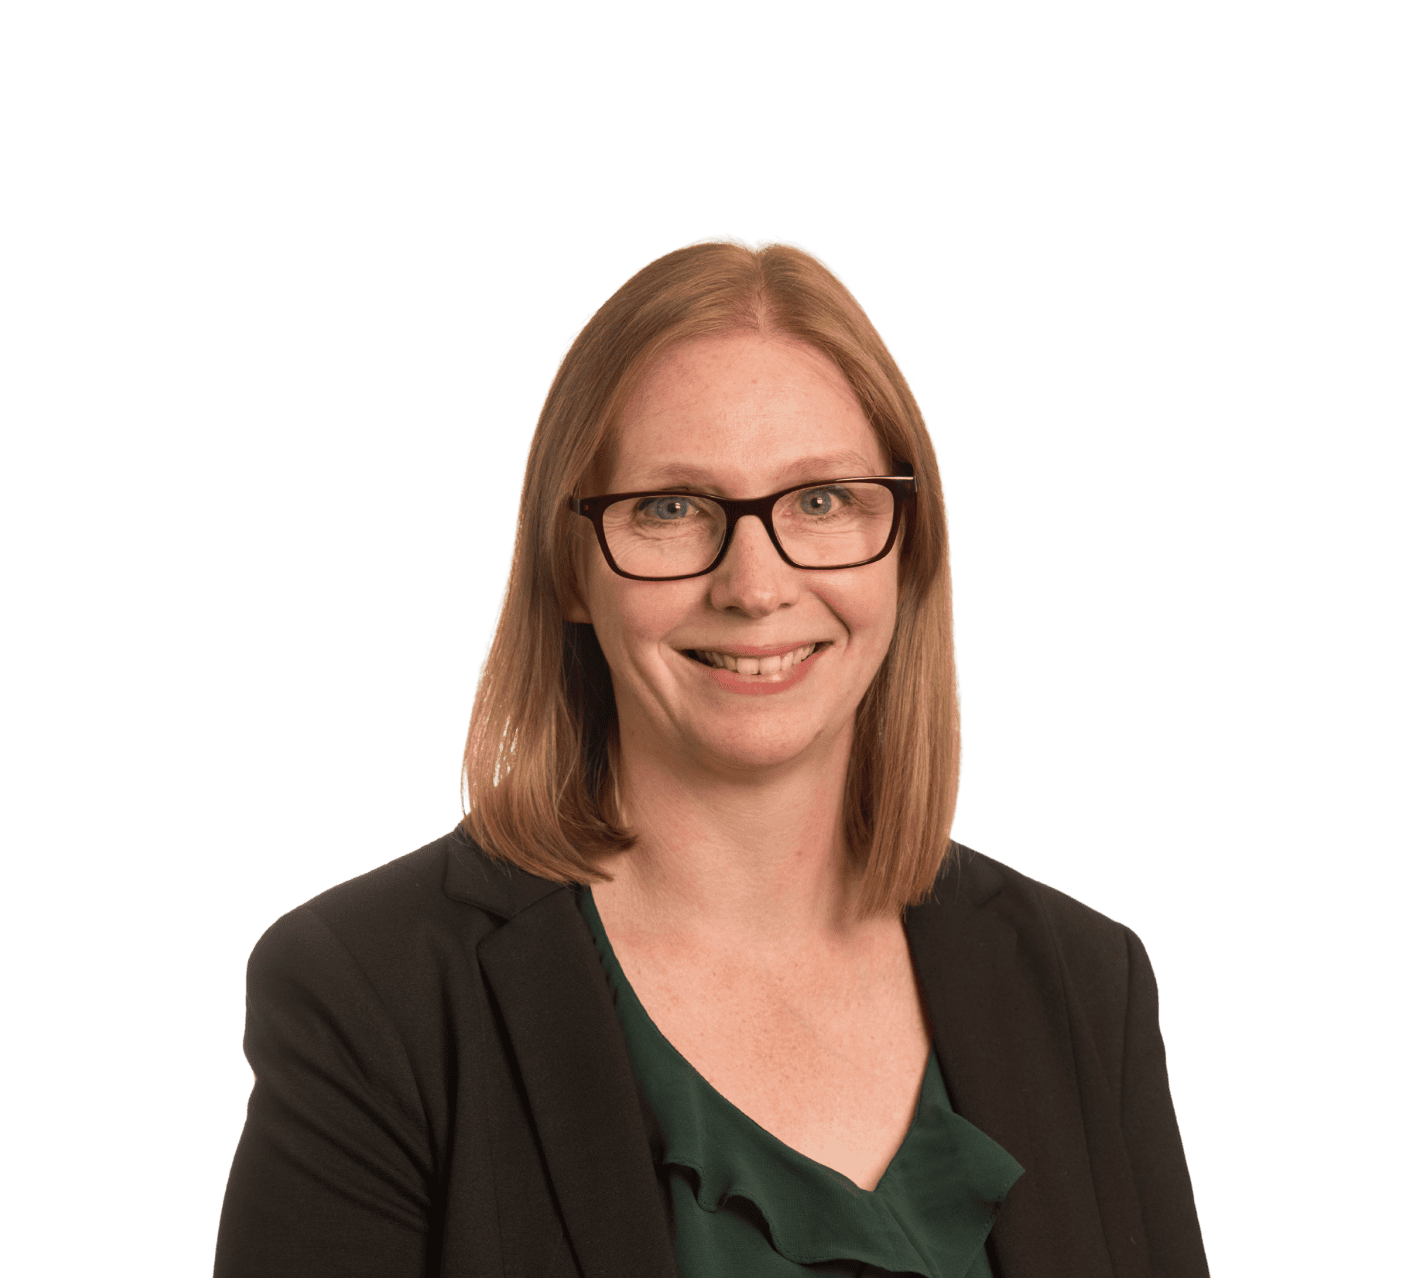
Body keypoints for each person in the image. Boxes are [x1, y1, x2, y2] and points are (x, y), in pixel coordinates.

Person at [212, 234, 1209, 1277]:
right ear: (568, 567)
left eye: (821, 501)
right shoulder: (375, 991)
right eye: (672, 508)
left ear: (908, 550)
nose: (754, 584)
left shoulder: (1084, 981)